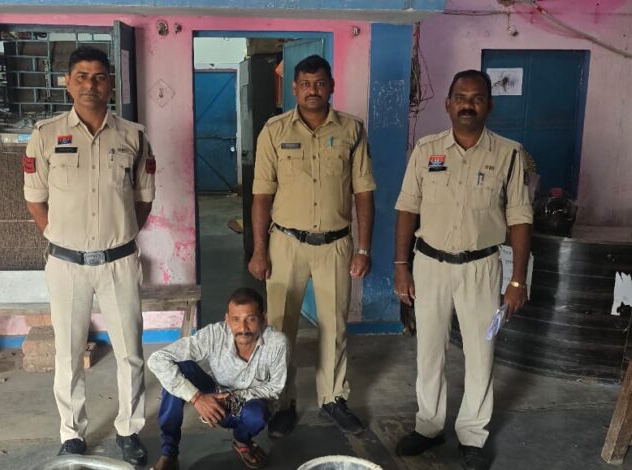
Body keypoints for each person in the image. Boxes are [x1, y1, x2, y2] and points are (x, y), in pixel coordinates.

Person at [393, 69, 532, 470]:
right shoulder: (426, 150)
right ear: (448, 103)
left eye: (476, 97)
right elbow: (407, 209)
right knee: (429, 351)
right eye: (460, 97)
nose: (467, 104)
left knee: (480, 352)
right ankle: (429, 426)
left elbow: (520, 218)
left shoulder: (509, 154)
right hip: (429, 265)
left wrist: (517, 279)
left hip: (482, 269)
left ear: (489, 104)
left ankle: (472, 434)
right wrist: (401, 266)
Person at [23, 46, 155, 465]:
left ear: (110, 83)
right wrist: (63, 239)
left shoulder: (133, 136)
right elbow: (35, 200)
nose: (90, 85)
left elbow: (143, 199)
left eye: (98, 77)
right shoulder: (45, 135)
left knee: (130, 352)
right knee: (68, 353)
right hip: (66, 265)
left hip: (119, 262)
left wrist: (118, 236)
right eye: (81, 76)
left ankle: (129, 429)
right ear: (67, 82)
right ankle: (72, 434)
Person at [248, 54, 376, 437]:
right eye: (305, 84)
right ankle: (283, 401)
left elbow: (364, 192)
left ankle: (332, 398)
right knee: (279, 327)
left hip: (335, 245)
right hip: (285, 243)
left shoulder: (352, 130)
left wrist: (363, 249)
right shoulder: (274, 131)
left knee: (334, 326)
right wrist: (259, 250)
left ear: (331, 86)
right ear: (294, 88)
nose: (312, 91)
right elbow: (261, 195)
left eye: (320, 83)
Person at [147, 288, 289, 470]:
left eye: (251, 319)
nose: (243, 328)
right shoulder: (215, 334)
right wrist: (196, 397)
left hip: (249, 404)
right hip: (213, 393)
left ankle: (242, 441)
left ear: (263, 318)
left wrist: (232, 398)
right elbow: (157, 359)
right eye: (236, 320)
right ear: (227, 319)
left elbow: (275, 388)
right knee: (178, 369)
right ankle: (169, 454)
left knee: (257, 415)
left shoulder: (277, 343)